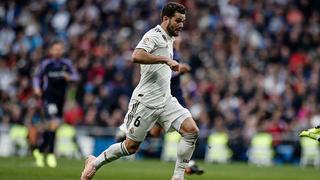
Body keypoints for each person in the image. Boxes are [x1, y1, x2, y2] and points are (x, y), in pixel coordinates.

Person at [81, 2, 199, 180]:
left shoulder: (170, 38)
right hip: (145, 102)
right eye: (178, 20)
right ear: (166, 19)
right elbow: (136, 55)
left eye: (183, 21)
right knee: (130, 147)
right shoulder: (154, 35)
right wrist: (165, 60)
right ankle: (94, 163)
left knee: (191, 131)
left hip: (165, 100)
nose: (181, 25)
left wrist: (177, 66)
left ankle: (177, 177)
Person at [33, 41, 79, 167]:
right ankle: (51, 155)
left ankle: (39, 150)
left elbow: (75, 76)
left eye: (60, 49)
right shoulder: (47, 64)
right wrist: (37, 88)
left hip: (60, 99)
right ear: (51, 51)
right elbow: (37, 77)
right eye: (55, 49)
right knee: (53, 123)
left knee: (52, 127)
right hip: (49, 97)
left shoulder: (66, 64)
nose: (58, 51)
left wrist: (69, 77)